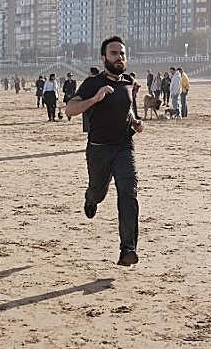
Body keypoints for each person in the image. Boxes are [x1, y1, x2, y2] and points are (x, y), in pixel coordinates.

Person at [66, 36, 144, 266]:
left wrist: (138, 124)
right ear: (103, 58)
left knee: (128, 193)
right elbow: (70, 109)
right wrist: (95, 98)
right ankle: (91, 200)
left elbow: (132, 114)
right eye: (114, 53)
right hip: (98, 150)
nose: (119, 57)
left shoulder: (129, 82)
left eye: (122, 53)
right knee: (98, 191)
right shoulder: (92, 83)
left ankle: (127, 248)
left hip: (124, 148)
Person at [82, 67, 101, 133]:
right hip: (100, 104)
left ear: (92, 72)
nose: (87, 73)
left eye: (89, 72)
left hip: (89, 103)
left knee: (90, 124)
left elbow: (83, 93)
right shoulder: (102, 80)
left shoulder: (89, 80)